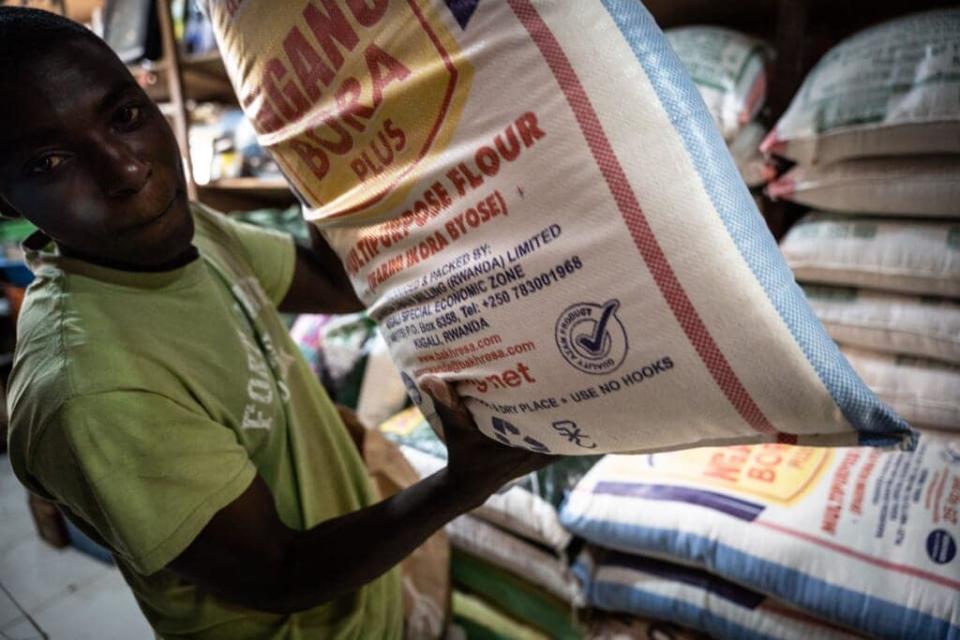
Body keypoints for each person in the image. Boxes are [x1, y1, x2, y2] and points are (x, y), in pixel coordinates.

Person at [0, 8, 552, 639]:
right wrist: (464, 483)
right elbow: (277, 575)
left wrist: (313, 135)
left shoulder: (190, 234)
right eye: (48, 162)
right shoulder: (91, 391)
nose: (126, 171)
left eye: (124, 117)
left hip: (367, 595)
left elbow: (338, 284)